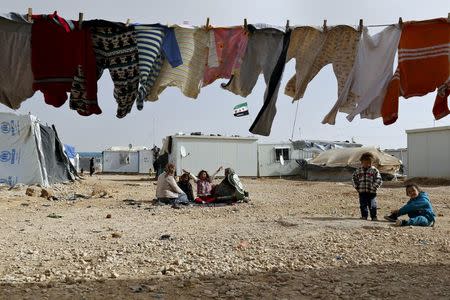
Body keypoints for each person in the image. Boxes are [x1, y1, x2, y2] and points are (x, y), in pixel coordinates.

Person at [352, 152, 382, 221]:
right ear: (361, 162)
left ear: (372, 162)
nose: (367, 164)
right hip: (362, 191)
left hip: (371, 192)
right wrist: (357, 186)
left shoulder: (374, 170)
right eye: (365, 163)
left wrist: (373, 187)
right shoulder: (358, 170)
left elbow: (379, 179)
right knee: (363, 204)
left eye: (369, 163)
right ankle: (364, 216)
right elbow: (354, 178)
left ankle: (374, 217)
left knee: (372, 205)